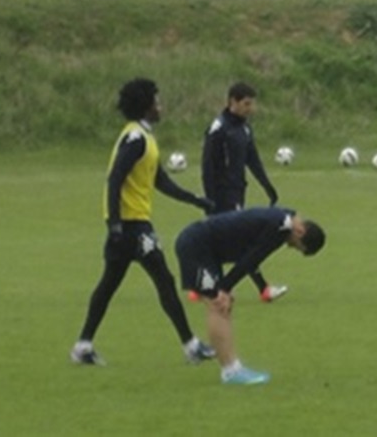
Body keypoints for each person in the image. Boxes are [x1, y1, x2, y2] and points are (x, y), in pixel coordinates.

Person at [70, 77, 219, 367]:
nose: (160, 107)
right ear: (146, 106)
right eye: (157, 102)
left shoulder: (144, 137)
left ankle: (82, 346)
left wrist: (195, 200)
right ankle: (191, 347)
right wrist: (114, 222)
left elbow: (160, 181)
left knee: (109, 284)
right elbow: (115, 178)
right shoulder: (136, 139)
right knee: (164, 280)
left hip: (128, 226)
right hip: (133, 227)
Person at [175, 206, 326, 385]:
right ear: (300, 231)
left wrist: (225, 287)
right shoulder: (280, 228)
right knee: (218, 304)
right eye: (295, 245)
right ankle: (230, 371)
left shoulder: (285, 216)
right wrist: (224, 288)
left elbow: (249, 257)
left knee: (223, 304)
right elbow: (251, 259)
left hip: (207, 250)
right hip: (196, 246)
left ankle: (233, 366)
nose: (289, 246)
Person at [200, 82, 284, 303]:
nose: (250, 109)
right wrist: (209, 198)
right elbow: (207, 166)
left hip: (238, 191)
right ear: (232, 102)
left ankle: (203, 286)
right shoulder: (219, 129)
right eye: (246, 104)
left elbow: (252, 160)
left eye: (252, 104)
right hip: (221, 194)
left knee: (219, 243)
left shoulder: (244, 128)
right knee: (244, 242)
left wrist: (267, 185)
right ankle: (263, 289)